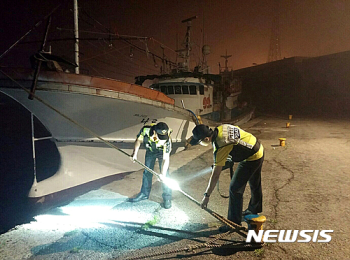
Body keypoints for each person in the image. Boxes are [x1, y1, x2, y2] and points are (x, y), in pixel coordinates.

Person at [190, 124, 264, 228]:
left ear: (206, 139)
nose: (200, 143)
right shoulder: (221, 128)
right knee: (255, 181)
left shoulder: (220, 145)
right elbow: (236, 139)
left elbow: (215, 175)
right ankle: (254, 209)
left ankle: (233, 223)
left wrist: (207, 195)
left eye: (200, 141)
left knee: (235, 189)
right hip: (258, 147)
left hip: (251, 157)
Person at [129, 122, 172, 209]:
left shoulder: (167, 140)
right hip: (150, 149)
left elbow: (165, 159)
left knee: (166, 175)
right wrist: (134, 153)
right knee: (147, 172)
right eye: (161, 137)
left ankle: (167, 197)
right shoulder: (146, 130)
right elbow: (139, 140)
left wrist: (162, 174)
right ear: (155, 132)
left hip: (161, 152)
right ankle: (144, 194)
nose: (163, 139)